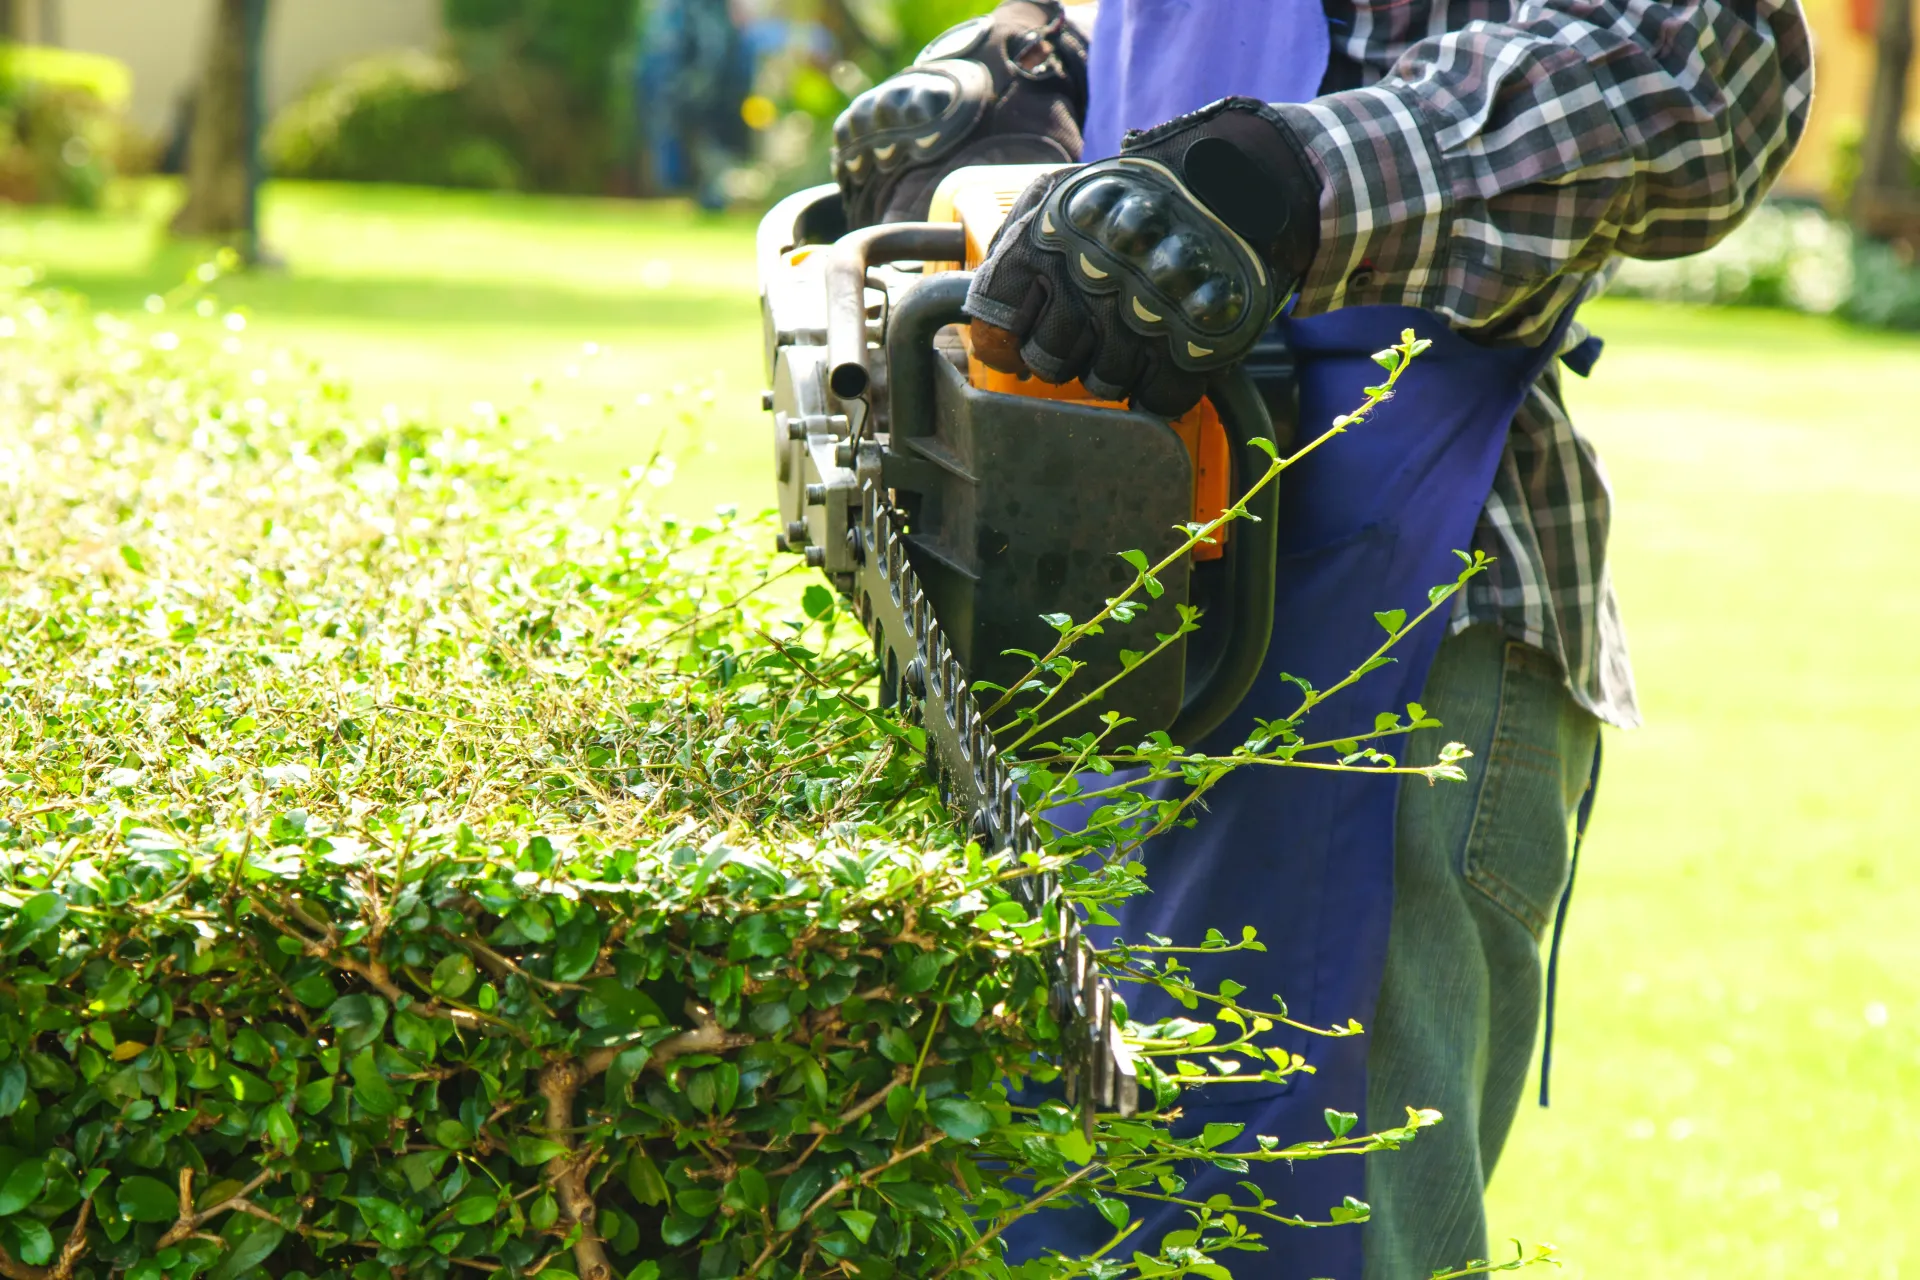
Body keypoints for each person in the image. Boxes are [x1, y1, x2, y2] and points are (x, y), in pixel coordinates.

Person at [832, 2, 1811, 1278]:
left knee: (1289, 1227)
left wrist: (1284, 183)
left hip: (1400, 601)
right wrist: (1024, 74)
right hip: (1108, 560)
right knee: (1047, 1218)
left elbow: (1697, 62)